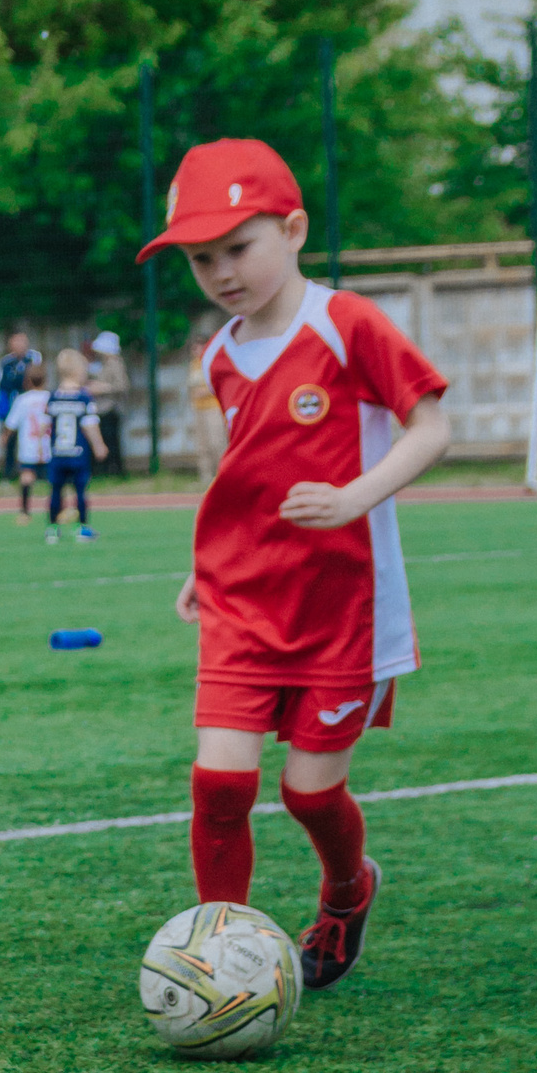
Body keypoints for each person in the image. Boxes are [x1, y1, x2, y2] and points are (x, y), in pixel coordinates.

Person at [141, 137, 450, 991]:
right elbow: (238, 475)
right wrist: (207, 564)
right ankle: (221, 961)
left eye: (239, 248)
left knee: (311, 793)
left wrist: (357, 495)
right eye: (202, 259)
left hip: (342, 607)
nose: (222, 272)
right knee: (218, 784)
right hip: (242, 602)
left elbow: (433, 428)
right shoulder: (219, 357)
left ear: (295, 228)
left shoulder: (346, 323)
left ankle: (349, 890)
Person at [42, 348, 108, 542]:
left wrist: (40, 442)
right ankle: (82, 528)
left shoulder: (53, 396)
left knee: (55, 491)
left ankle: (53, 529)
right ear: (78, 371)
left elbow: (46, 424)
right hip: (78, 453)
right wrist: (99, 445)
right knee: (80, 491)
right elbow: (90, 425)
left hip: (58, 453)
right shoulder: (83, 397)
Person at [4, 359, 50, 520]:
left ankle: (24, 512)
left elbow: (11, 423)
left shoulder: (22, 400)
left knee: (26, 476)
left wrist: (4, 437)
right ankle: (57, 509)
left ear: (27, 381)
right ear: (45, 379)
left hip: (28, 446)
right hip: (47, 445)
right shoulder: (50, 398)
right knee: (53, 479)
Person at [186, 328, 226, 483]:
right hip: (198, 408)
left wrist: (205, 392)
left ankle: (222, 474)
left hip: (212, 407)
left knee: (216, 442)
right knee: (202, 445)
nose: (196, 350)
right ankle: (206, 477)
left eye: (199, 346)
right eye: (193, 347)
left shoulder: (213, 361)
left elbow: (220, 383)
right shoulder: (193, 365)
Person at [89, 330, 130, 477]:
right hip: (103, 408)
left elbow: (122, 385)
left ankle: (114, 470)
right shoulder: (103, 364)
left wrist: (102, 388)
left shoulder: (115, 363)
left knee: (112, 442)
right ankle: (107, 469)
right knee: (107, 440)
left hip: (111, 408)